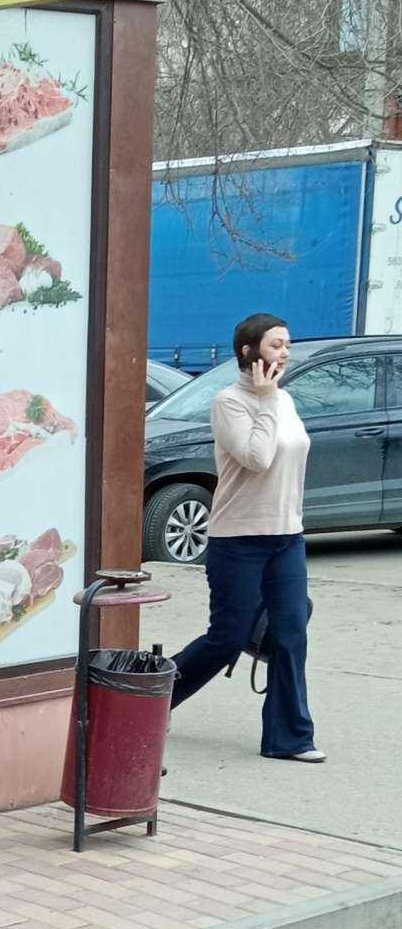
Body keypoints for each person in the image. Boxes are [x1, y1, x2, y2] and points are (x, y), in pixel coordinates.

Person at [168, 312, 323, 763]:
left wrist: (274, 399)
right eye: (277, 345)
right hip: (238, 538)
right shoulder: (228, 402)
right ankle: (150, 701)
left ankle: (289, 737)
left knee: (291, 634)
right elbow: (256, 458)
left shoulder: (285, 401)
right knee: (228, 636)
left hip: (287, 537)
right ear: (248, 351)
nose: (285, 352)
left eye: (288, 344)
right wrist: (266, 399)